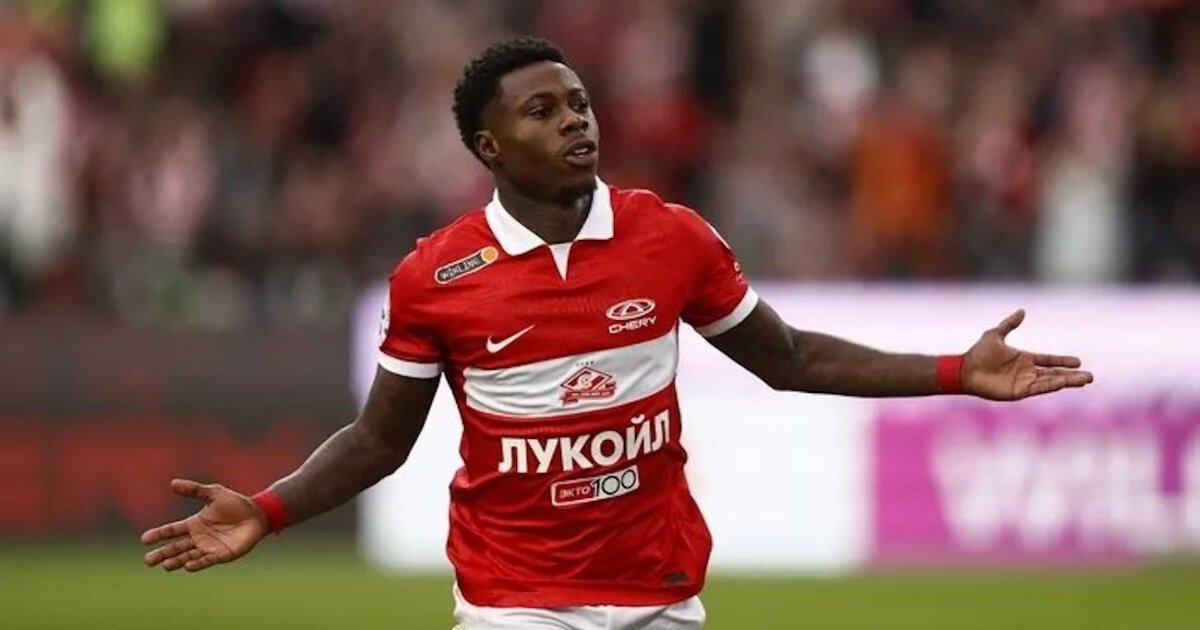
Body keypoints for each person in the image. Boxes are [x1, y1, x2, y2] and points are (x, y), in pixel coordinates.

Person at [140, 37, 1093, 630]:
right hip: (514, 604)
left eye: (579, 104)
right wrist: (267, 510)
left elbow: (790, 358)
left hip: (661, 594)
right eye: (542, 111)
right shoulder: (436, 277)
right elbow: (378, 440)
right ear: (489, 147)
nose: (575, 123)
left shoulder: (668, 238)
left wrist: (954, 369)